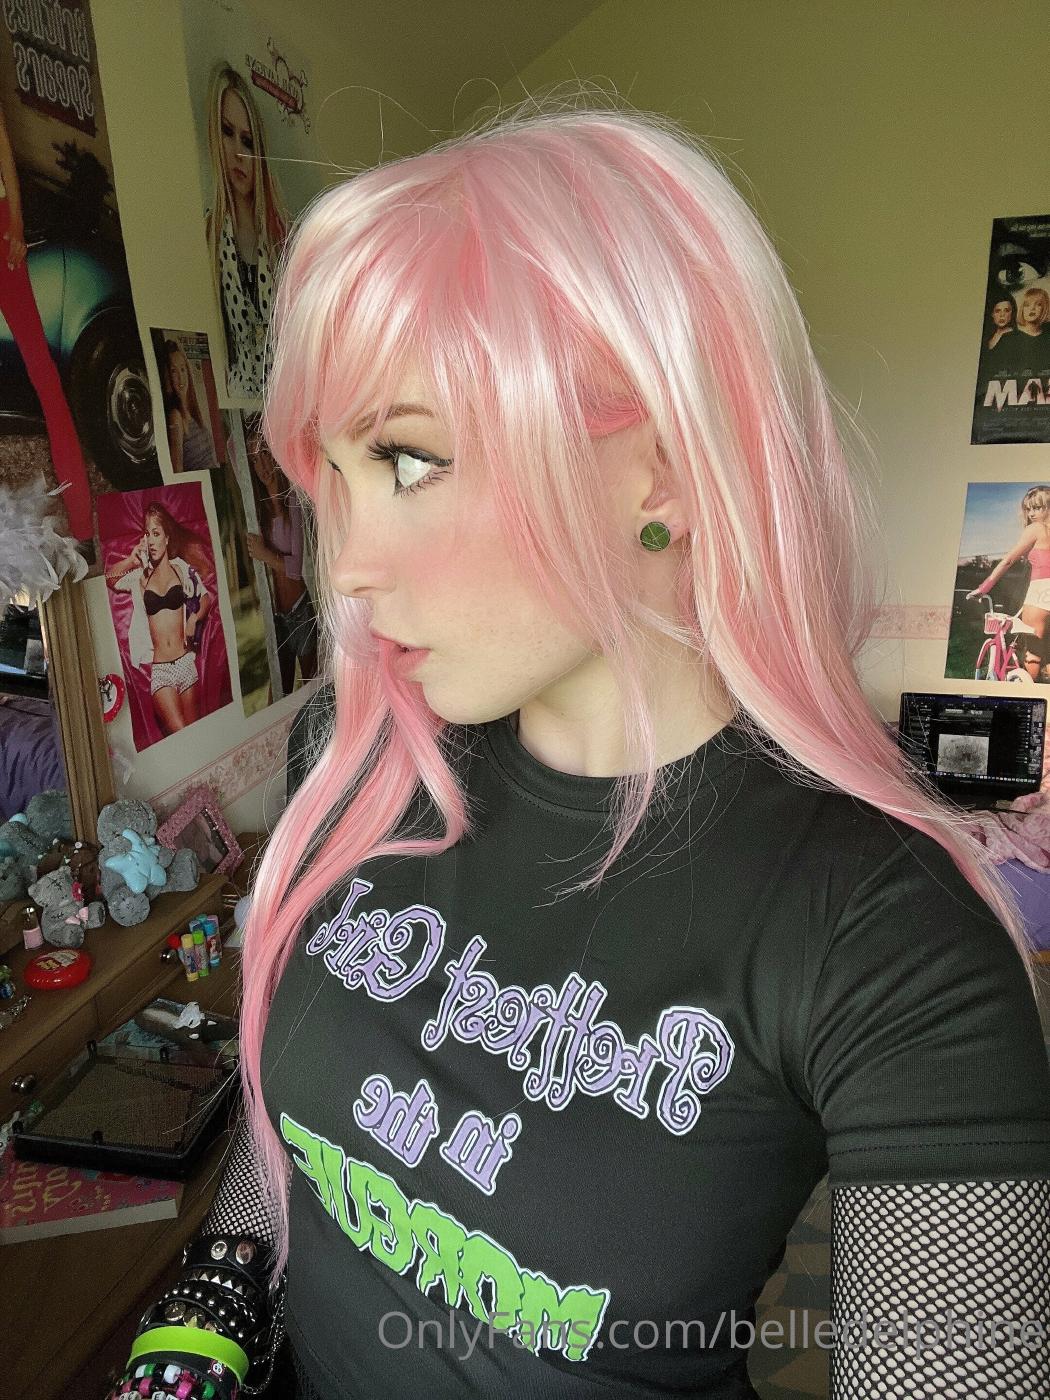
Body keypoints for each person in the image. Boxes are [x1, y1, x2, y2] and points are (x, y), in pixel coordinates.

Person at [105, 101, 1050, 1400]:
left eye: (408, 460)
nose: (350, 567)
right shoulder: (360, 759)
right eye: (335, 478)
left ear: (659, 469)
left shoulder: (883, 933)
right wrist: (205, 1315)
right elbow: (293, 1137)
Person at [0, 99, 92, 540]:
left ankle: (83, 524)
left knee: (45, 376)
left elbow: (4, 154)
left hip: (2, 231)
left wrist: (16, 225)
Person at [203, 64, 288, 400]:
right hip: (239, 401)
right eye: (227, 132)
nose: (238, 153)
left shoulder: (282, 237)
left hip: (287, 403)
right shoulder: (210, 235)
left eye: (248, 141)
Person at [105, 502, 212, 734]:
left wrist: (193, 619)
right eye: (147, 534)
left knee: (195, 732)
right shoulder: (139, 577)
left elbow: (205, 598)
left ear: (167, 538)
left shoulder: (181, 568)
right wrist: (131, 559)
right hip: (161, 670)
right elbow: (110, 579)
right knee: (181, 732)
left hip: (186, 663)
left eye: (156, 533)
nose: (151, 540)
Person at [244, 416, 319, 694]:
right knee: (283, 693)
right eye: (254, 459)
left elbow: (295, 568)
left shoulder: (293, 501)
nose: (262, 465)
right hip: (279, 617)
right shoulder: (259, 510)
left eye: (264, 453)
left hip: (301, 612)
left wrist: (264, 554)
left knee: (311, 689)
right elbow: (231, 445)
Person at [966, 484, 1050, 672]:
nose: (1031, 514)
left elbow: (1009, 560)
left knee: (1034, 653)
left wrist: (984, 587)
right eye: (1028, 509)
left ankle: (1029, 688)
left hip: (1040, 594)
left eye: (1037, 508)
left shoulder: (1036, 529)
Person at [160, 339, 219, 473]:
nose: (180, 377)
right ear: (168, 377)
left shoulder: (193, 413)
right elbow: (177, 470)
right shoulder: (176, 417)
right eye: (174, 371)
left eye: (182, 369)